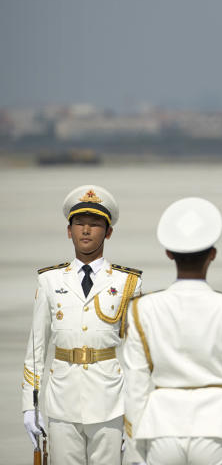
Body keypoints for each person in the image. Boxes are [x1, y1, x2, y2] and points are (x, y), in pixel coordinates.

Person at [120, 197, 222, 465]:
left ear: (168, 253)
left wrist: (133, 453)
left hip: (161, 430)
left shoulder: (143, 309)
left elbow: (135, 389)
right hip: (220, 430)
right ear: (213, 254)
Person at [21, 185, 143, 464]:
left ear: (108, 232)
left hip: (111, 402)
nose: (86, 230)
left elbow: (137, 355)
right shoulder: (49, 281)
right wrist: (31, 405)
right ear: (69, 230)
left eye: (95, 225)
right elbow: (36, 350)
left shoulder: (128, 283)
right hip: (62, 400)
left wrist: (137, 412)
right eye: (79, 224)